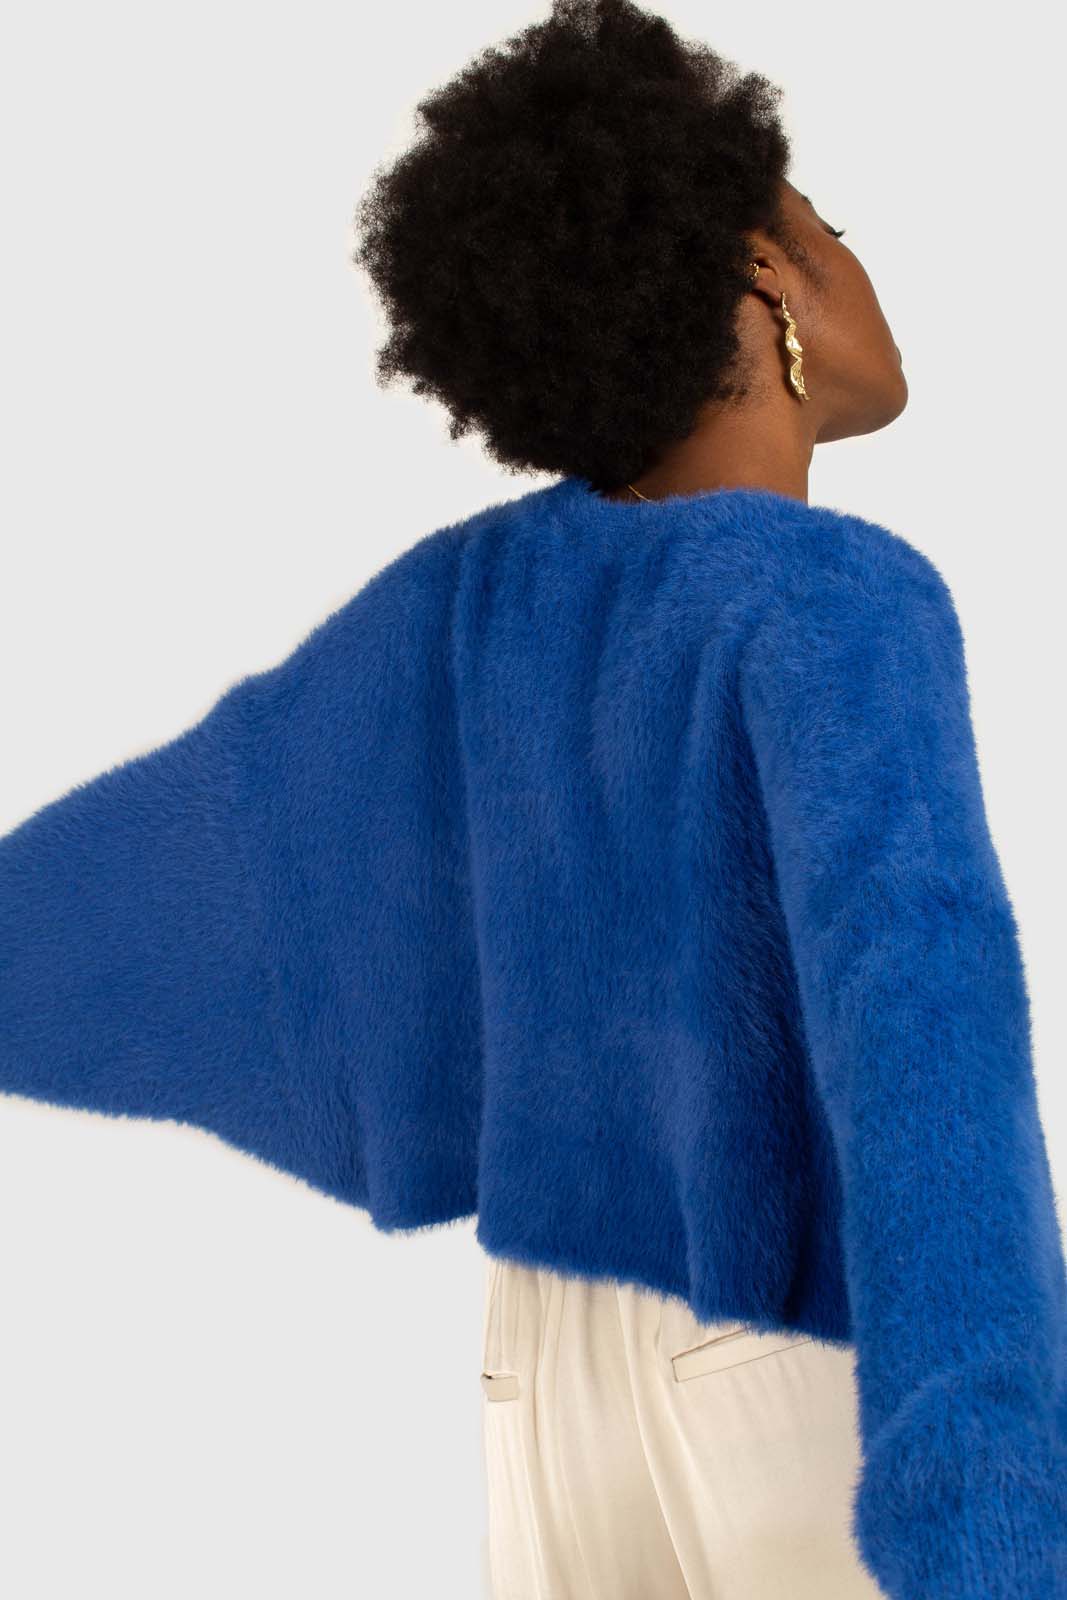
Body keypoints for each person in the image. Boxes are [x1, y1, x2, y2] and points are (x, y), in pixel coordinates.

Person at [1, 2, 1065, 1597]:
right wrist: (991, 1501)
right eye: (829, 225)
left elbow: (188, 876)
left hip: (544, 1385)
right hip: (799, 1369)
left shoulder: (478, 604)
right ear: (765, 270)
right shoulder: (834, 598)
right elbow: (924, 1038)